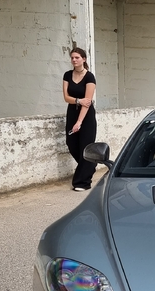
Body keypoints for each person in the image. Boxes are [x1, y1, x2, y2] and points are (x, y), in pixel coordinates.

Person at [62, 47, 97, 191]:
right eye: (72, 58)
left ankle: (82, 182)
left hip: (86, 116)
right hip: (72, 112)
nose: (74, 60)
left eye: (77, 57)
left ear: (84, 59)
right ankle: (90, 166)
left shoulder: (89, 77)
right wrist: (77, 100)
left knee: (85, 146)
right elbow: (66, 97)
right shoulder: (67, 75)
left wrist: (79, 122)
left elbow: (87, 102)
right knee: (71, 144)